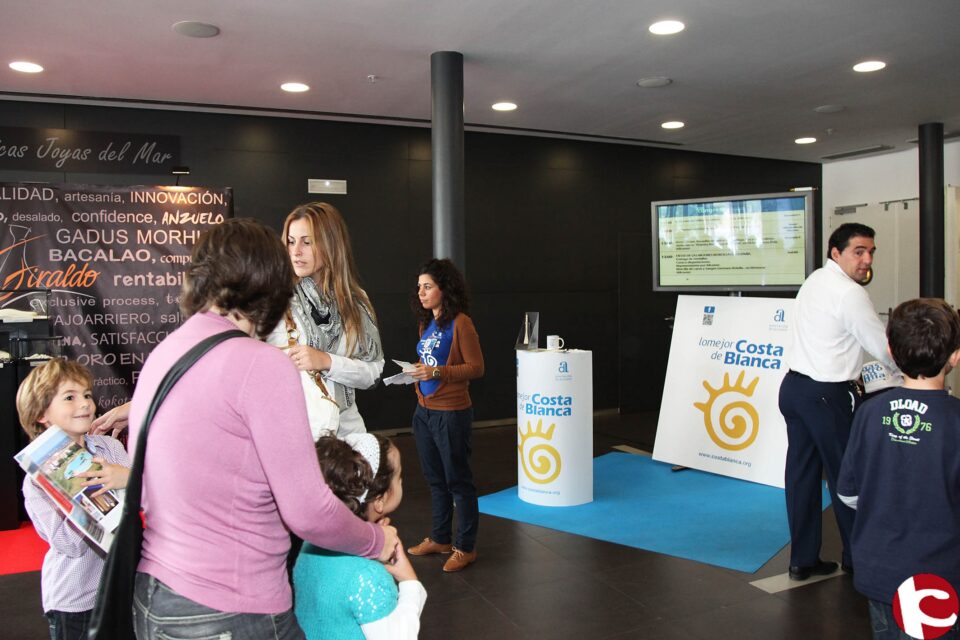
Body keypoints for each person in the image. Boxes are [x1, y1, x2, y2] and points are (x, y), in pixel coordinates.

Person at [126, 218, 397, 640]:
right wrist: (375, 541)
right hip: (232, 608)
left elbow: (142, 484)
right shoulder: (261, 364)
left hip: (155, 599)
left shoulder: (165, 353)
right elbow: (307, 511)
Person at [778, 222, 901, 581]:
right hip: (826, 396)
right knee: (847, 477)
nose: (866, 260)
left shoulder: (816, 278)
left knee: (801, 475)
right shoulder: (850, 294)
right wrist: (917, 365)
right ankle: (857, 559)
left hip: (794, 390)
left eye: (871, 252)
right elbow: (881, 347)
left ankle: (802, 559)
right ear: (837, 253)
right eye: (858, 252)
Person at [838, 299, 960, 639]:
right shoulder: (956, 423)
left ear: (889, 349)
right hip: (938, 579)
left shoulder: (868, 413)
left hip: (880, 572)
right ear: (955, 356)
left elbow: (848, 493)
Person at [16, 358, 130, 640]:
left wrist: (126, 477)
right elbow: (69, 545)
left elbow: (141, 502)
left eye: (87, 395)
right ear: (42, 414)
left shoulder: (110, 447)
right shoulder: (36, 478)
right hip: (76, 599)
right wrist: (76, 491)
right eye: (70, 397)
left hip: (124, 588)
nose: (85, 404)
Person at [294, 434, 426, 639]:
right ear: (380, 500)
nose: (402, 481)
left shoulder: (310, 544)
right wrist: (410, 583)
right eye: (399, 477)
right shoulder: (367, 576)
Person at [269, 202, 384, 438]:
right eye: (291, 241)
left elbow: (372, 372)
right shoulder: (275, 299)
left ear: (330, 244)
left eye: (307, 242)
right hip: (295, 433)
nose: (296, 251)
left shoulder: (355, 301)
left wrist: (326, 361)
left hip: (347, 433)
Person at [406, 259, 484, 573]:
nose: (421, 292)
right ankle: (440, 538)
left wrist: (437, 371)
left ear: (444, 289)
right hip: (424, 412)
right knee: (435, 480)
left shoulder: (461, 323)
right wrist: (415, 373)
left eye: (428, 286)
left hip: (451, 413)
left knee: (458, 482)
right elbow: (427, 360)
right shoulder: (427, 323)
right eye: (419, 287)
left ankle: (465, 547)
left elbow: (477, 367)